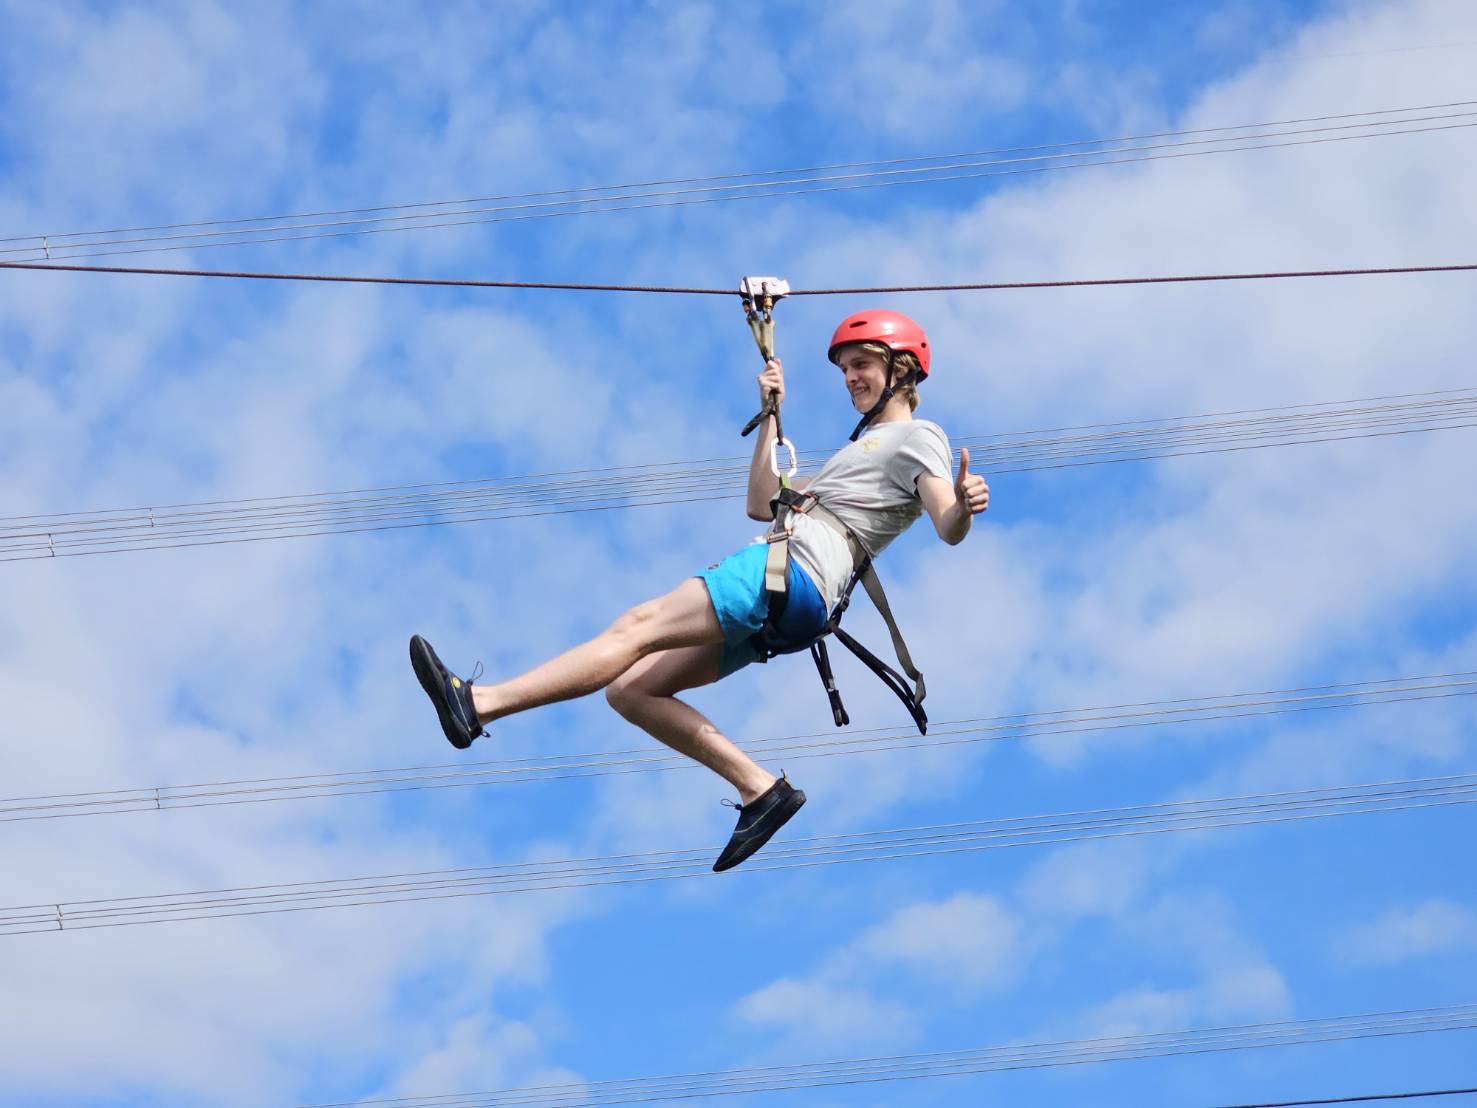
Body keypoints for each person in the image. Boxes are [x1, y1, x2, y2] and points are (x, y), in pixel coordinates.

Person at [409, 309, 990, 872]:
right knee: (633, 692)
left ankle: (479, 704)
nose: (850, 379)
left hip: (790, 574)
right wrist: (770, 414)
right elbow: (761, 501)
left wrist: (961, 506)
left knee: (636, 627)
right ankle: (760, 790)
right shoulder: (855, 459)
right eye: (844, 369)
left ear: (904, 370)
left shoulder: (919, 437)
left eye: (861, 364)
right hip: (797, 605)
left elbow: (946, 523)